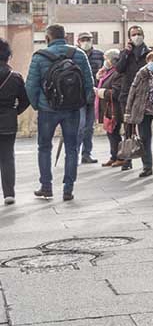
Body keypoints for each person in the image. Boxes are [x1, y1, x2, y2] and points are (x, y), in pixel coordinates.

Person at [25, 24, 94, 201]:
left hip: (48, 110)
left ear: (48, 38)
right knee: (72, 149)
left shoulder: (39, 57)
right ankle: (68, 189)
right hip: (72, 109)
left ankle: (46, 187)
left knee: (44, 147)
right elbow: (88, 82)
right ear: (65, 37)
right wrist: (83, 103)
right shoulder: (78, 54)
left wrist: (38, 105)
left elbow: (31, 86)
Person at [123, 51, 153, 178]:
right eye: (149, 61)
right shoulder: (142, 73)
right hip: (142, 109)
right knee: (144, 139)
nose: (151, 64)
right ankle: (147, 167)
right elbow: (132, 91)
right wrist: (128, 111)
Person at [0, 38, 30, 205]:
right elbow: (25, 100)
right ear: (8, 56)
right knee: (7, 158)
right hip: (8, 123)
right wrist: (14, 112)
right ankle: (8, 194)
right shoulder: (15, 77)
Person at [116, 25, 149, 172]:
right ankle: (127, 158)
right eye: (133, 34)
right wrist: (126, 53)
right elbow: (119, 69)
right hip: (126, 95)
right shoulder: (125, 53)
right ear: (129, 38)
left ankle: (146, 164)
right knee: (128, 127)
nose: (136, 36)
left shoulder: (149, 53)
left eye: (139, 34)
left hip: (143, 95)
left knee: (143, 130)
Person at [95, 48, 127, 169]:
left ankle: (120, 157)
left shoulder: (117, 73)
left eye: (107, 59)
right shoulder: (108, 72)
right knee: (110, 133)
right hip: (108, 108)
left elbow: (116, 92)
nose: (105, 61)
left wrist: (101, 92)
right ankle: (114, 156)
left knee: (114, 133)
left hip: (115, 108)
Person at [76, 33, 103, 165]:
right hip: (78, 96)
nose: (86, 42)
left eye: (88, 39)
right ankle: (74, 154)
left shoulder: (99, 55)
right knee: (79, 126)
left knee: (89, 127)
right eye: (83, 40)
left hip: (93, 96)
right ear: (78, 41)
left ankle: (86, 154)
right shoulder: (74, 54)